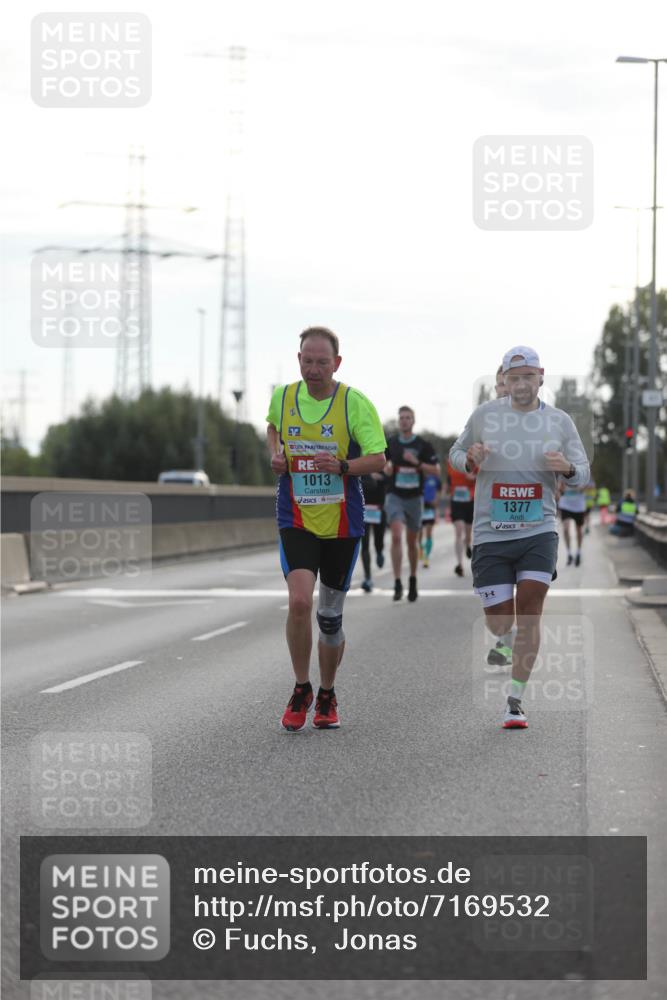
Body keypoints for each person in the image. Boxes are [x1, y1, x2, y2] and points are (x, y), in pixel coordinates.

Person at [449, 345, 590, 729]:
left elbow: (583, 470)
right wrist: (470, 458)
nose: (522, 383)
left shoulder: (560, 422)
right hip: (491, 534)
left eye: (529, 376)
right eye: (515, 377)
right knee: (499, 622)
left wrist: (568, 468)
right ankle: (504, 639)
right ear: (505, 381)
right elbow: (456, 453)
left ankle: (514, 700)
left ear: (540, 377)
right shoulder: (484, 416)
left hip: (538, 528)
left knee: (530, 605)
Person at [266, 327, 386, 731]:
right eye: (307, 359)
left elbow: (379, 458)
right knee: (299, 602)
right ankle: (301, 687)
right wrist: (276, 454)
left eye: (322, 361)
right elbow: (272, 429)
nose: (313, 368)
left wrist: (343, 467)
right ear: (297, 358)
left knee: (329, 617)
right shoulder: (283, 397)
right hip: (296, 516)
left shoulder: (354, 402)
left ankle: (328, 692)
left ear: (336, 363)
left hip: (342, 522)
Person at [384, 407, 440, 602]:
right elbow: (382, 464)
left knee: (411, 541)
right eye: (401, 418)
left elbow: (436, 471)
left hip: (415, 498)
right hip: (395, 495)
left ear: (413, 421)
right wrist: (387, 468)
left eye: (408, 418)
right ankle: (398, 582)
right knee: (397, 536)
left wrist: (417, 463)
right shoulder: (390, 443)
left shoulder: (423, 445)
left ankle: (413, 578)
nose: (404, 421)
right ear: (398, 421)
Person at [447, 459, 477, 577]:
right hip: (456, 501)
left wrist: (473, 477)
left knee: (468, 535)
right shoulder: (451, 462)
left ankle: (467, 545)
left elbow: (481, 476)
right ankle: (459, 565)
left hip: (470, 500)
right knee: (458, 532)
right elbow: (449, 479)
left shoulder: (474, 460)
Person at [360, 471, 387, 591]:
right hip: (364, 510)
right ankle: (368, 577)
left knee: (378, 540)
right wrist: (369, 477)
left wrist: (382, 476)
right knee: (364, 545)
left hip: (379, 511)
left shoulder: (384, 468)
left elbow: (390, 482)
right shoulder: (362, 471)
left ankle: (380, 551)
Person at [558, 482, 587, 566]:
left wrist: (579, 486)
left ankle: (578, 552)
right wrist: (560, 488)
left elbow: (585, 486)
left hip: (578, 506)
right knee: (566, 529)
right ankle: (569, 553)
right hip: (565, 505)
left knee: (578, 530)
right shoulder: (563, 473)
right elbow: (560, 489)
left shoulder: (582, 471)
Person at [420, 472, 442, 567]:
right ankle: (420, 550)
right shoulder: (418, 475)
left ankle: (426, 557)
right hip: (419, 509)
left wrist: (436, 500)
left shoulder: (434, 477)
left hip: (430, 509)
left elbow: (439, 489)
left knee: (428, 534)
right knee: (419, 535)